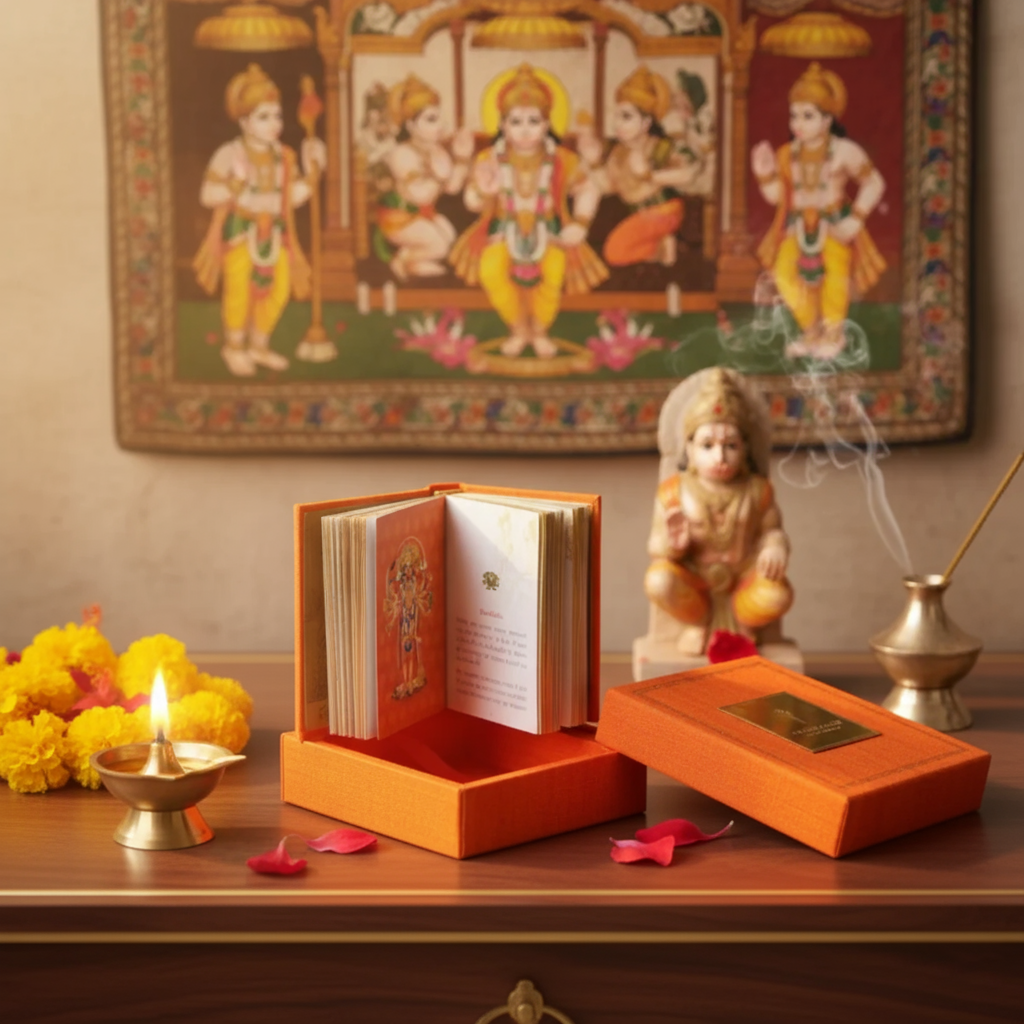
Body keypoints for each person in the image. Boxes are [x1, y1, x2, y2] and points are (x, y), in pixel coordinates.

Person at [449, 63, 607, 358]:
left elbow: (588, 189)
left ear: (547, 124)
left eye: (533, 121)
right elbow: (470, 201)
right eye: (515, 121)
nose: (524, 130)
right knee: (491, 270)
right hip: (500, 230)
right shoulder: (489, 158)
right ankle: (520, 329)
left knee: (553, 272)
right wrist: (484, 189)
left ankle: (540, 331)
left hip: (550, 231)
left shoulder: (562, 159)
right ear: (503, 125)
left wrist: (581, 223)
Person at [644, 368, 793, 656]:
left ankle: (743, 623)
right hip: (695, 585)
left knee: (778, 595)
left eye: (731, 446)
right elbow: (656, 548)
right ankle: (698, 624)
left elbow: (772, 531)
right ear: (689, 448)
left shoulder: (757, 490)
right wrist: (674, 545)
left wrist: (776, 547)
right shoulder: (674, 492)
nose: (719, 457)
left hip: (743, 580)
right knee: (658, 580)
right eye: (707, 445)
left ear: (746, 449)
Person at [193, 64, 326, 377]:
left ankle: (259, 346)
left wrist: (312, 180)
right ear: (243, 121)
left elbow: (291, 197)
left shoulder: (285, 156)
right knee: (239, 291)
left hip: (276, 233)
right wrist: (230, 188)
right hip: (242, 231)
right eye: (263, 117)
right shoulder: (229, 153)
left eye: (277, 115)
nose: (274, 124)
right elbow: (207, 195)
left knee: (279, 289)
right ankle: (234, 348)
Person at [751, 62, 886, 358]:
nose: (798, 123)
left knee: (835, 278)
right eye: (794, 115)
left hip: (833, 222)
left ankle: (833, 336)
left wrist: (857, 218)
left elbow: (874, 183)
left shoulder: (844, 151)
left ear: (827, 120)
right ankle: (811, 332)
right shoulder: (786, 154)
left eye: (808, 116)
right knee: (784, 275)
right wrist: (765, 174)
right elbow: (776, 197)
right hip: (797, 224)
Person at [577, 66, 697, 267]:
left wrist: (650, 175)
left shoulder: (659, 147)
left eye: (626, 117)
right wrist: (594, 161)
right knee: (614, 252)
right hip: (641, 215)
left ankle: (663, 247)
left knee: (615, 252)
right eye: (617, 116)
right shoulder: (617, 152)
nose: (618, 124)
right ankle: (661, 247)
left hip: (664, 211)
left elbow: (688, 174)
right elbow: (608, 186)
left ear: (646, 122)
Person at [375, 74, 474, 280]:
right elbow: (421, 195)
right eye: (431, 120)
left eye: (439, 118)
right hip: (399, 218)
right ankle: (401, 260)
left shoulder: (434, 150)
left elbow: (452, 187)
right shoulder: (402, 154)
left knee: (449, 240)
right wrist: (438, 177)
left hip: (423, 215)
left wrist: (462, 160)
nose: (440, 125)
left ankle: (411, 261)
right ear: (410, 125)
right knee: (438, 245)